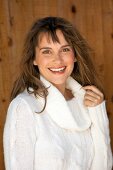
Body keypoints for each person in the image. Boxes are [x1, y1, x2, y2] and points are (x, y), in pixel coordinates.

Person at [3, 16, 112, 170]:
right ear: (34, 58)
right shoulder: (24, 107)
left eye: (65, 49)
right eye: (47, 51)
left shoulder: (86, 102)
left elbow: (103, 165)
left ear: (75, 56)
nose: (58, 60)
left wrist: (98, 113)